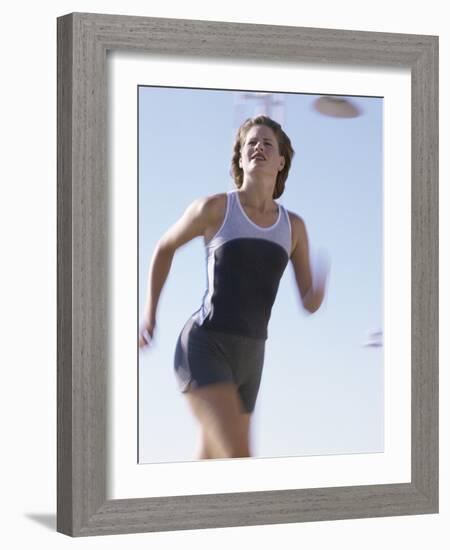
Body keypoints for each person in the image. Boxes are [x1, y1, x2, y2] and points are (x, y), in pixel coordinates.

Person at [139, 114, 329, 460]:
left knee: (214, 462)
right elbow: (164, 247)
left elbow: (309, 302)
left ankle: (175, 511)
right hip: (205, 346)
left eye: (267, 143)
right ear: (240, 158)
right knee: (239, 460)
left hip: (252, 358)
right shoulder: (215, 209)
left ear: (281, 160)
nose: (258, 147)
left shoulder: (293, 227)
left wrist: (319, 291)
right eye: (250, 143)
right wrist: (149, 314)